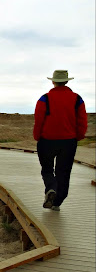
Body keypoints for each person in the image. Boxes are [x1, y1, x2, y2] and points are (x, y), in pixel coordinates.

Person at [33, 69, 88, 211]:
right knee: (63, 171)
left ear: (53, 81)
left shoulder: (44, 98)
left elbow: (39, 120)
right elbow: (82, 120)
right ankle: (57, 202)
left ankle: (51, 188)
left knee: (47, 169)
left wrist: (37, 136)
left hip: (47, 140)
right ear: (67, 81)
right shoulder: (77, 99)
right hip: (69, 141)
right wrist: (79, 136)